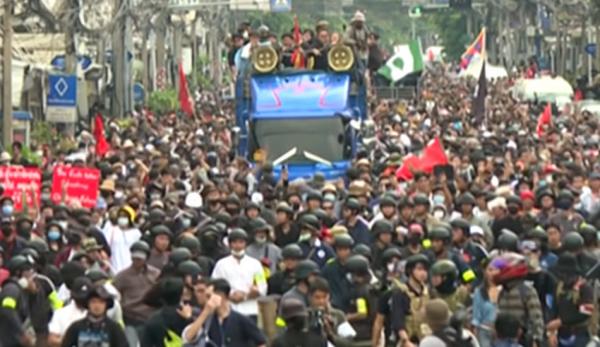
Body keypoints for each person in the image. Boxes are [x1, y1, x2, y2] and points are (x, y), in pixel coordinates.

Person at [181, 278, 267, 347]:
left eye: (209, 296)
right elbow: (188, 337)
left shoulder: (241, 320)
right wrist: (206, 312)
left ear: (221, 296)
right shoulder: (207, 319)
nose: (207, 301)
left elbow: (261, 342)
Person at [211, 228, 267, 319]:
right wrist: (230, 296)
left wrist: (246, 295)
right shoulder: (221, 264)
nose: (238, 246)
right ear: (230, 244)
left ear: (245, 244)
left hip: (250, 310)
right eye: (234, 242)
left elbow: (263, 286)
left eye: (241, 242)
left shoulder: (255, 264)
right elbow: (215, 286)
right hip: (228, 309)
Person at [494, 253, 544, 347]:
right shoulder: (502, 291)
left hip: (523, 339)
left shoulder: (526, 290)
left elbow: (536, 318)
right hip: (503, 339)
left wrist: (536, 339)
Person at [546, 253, 593, 347]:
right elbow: (553, 310)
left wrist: (562, 321)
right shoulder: (559, 287)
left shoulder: (584, 288)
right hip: (561, 334)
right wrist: (551, 333)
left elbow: (586, 312)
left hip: (579, 334)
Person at [60, 285, 128, 347]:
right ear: (88, 304)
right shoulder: (76, 327)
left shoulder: (114, 328)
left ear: (106, 305)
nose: (97, 306)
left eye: (101, 302)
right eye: (93, 302)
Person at [48, 277, 93, 346]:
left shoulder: (99, 313)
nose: (82, 302)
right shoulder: (61, 313)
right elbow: (52, 340)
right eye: (80, 299)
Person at [321, 234, 354, 311]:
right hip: (334, 304)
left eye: (346, 249)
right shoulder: (329, 266)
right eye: (340, 249)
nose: (343, 252)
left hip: (352, 304)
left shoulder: (355, 265)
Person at [472, 260, 501, 347]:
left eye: (496, 270)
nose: (492, 273)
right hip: (484, 331)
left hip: (501, 333)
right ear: (485, 271)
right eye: (490, 270)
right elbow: (476, 316)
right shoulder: (479, 291)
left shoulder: (505, 290)